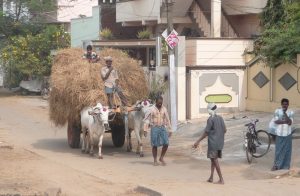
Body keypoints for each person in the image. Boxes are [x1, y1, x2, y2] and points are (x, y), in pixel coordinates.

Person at [193, 103, 226, 184]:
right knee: (213, 160)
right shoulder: (220, 118)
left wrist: (197, 141)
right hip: (220, 142)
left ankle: (221, 179)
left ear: (210, 110)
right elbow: (225, 130)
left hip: (213, 143)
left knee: (214, 160)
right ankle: (211, 177)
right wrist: (219, 135)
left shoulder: (210, 119)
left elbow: (206, 132)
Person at [143, 96, 172, 166]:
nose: (160, 104)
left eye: (161, 103)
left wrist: (170, 129)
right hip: (154, 128)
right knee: (154, 144)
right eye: (159, 103)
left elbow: (167, 119)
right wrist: (145, 129)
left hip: (162, 127)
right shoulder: (151, 109)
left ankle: (161, 158)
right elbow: (147, 119)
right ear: (156, 102)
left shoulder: (164, 109)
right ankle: (155, 160)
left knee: (166, 143)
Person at [270, 98, 294, 171]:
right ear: (281, 104)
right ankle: (276, 165)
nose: (284, 105)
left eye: (286, 104)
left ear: (288, 105)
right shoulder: (277, 111)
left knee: (287, 151)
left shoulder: (291, 112)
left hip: (287, 134)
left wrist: (285, 114)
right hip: (279, 134)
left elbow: (290, 122)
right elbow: (276, 121)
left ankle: (286, 166)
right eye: (283, 104)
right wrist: (285, 121)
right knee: (278, 151)